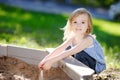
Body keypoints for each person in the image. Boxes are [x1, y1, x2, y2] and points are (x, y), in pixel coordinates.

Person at [38, 8, 106, 74]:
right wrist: (46, 59)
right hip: (81, 61)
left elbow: (71, 51)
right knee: (66, 50)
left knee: (78, 53)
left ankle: (81, 75)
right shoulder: (73, 37)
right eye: (75, 22)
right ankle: (70, 70)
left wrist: (51, 61)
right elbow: (60, 48)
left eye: (83, 22)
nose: (78, 25)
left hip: (95, 67)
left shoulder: (88, 39)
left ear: (88, 25)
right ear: (70, 24)